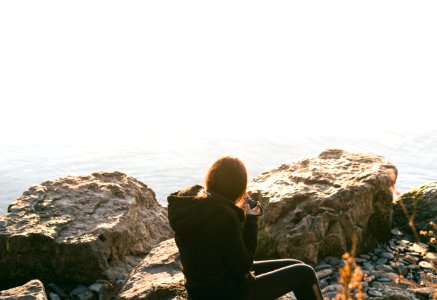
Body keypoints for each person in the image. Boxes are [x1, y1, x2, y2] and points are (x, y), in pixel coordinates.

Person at [167, 156, 323, 300]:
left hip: (202, 289)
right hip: (226, 294)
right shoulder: (223, 216)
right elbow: (243, 266)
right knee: (305, 273)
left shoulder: (190, 203)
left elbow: (227, 255)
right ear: (238, 187)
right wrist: (251, 218)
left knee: (295, 264)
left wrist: (237, 212)